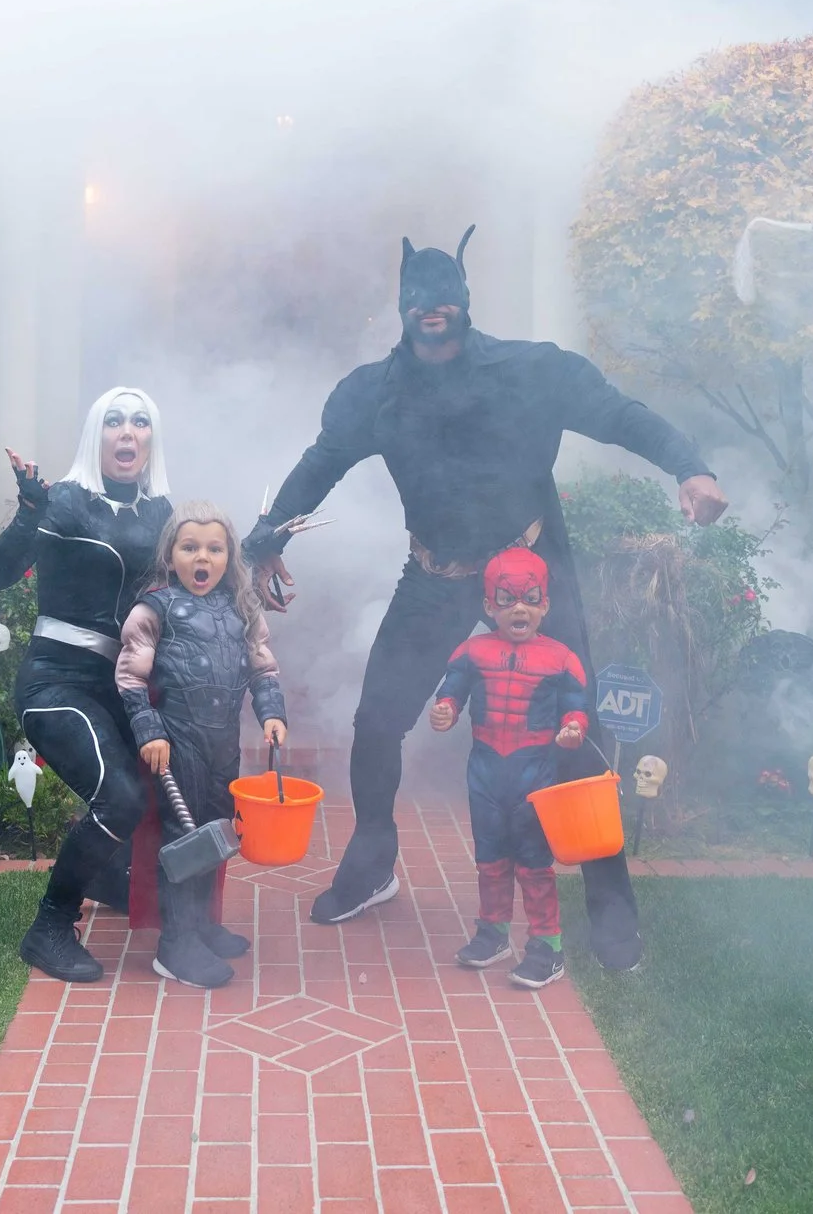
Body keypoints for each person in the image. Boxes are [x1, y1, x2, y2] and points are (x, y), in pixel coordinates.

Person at [246, 227, 727, 971]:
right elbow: (320, 465)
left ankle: (609, 905)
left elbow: (623, 416)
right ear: (402, 310)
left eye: (443, 298)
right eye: (417, 301)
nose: (430, 310)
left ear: (464, 304)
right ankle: (373, 863)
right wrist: (265, 536)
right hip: (436, 574)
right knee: (377, 721)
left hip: (531, 570)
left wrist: (689, 470)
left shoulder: (532, 371)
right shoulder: (373, 392)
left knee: (579, 726)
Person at [0, 386, 173, 983]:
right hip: (57, 682)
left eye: (139, 422)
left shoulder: (163, 514)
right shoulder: (64, 501)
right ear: (97, 433)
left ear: (150, 439)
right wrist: (30, 512)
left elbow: (199, 579)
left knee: (164, 787)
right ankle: (49, 926)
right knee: (121, 797)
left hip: (122, 688)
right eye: (113, 421)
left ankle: (111, 880)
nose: (127, 432)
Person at [113, 501, 289, 988]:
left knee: (217, 830)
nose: (201, 558)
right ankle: (176, 942)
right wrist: (150, 731)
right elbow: (130, 676)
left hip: (223, 743)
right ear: (171, 555)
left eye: (214, 548)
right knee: (184, 838)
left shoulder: (241, 608)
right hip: (178, 743)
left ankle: (204, 923)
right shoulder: (154, 608)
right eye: (190, 547)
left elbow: (262, 667)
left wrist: (271, 711)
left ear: (228, 556)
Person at [429, 546, 587, 989]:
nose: (519, 607)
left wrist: (574, 727)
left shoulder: (561, 658)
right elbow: (452, 689)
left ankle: (547, 946)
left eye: (530, 598)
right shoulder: (472, 651)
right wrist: (444, 709)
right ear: (488, 607)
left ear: (544, 605)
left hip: (534, 772)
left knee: (534, 862)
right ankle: (493, 931)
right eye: (506, 599)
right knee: (490, 857)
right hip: (484, 769)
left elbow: (576, 706)